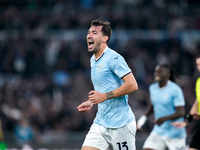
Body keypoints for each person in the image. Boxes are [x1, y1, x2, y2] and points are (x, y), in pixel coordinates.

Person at [77, 19, 138, 150]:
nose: (89, 35)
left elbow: (132, 85)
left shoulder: (114, 58)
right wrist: (91, 101)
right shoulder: (93, 59)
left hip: (121, 125)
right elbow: (104, 87)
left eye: (94, 32)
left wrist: (104, 96)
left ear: (105, 38)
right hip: (101, 123)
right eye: (88, 32)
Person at [137, 64, 186, 150]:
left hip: (175, 132)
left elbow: (181, 112)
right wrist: (142, 120)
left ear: (168, 75)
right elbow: (153, 105)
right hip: (159, 130)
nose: (157, 74)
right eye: (156, 72)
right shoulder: (153, 88)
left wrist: (163, 119)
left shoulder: (175, 89)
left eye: (160, 72)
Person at [171, 54, 200, 150]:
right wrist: (186, 122)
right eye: (197, 65)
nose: (199, 67)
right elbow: (197, 102)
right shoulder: (199, 82)